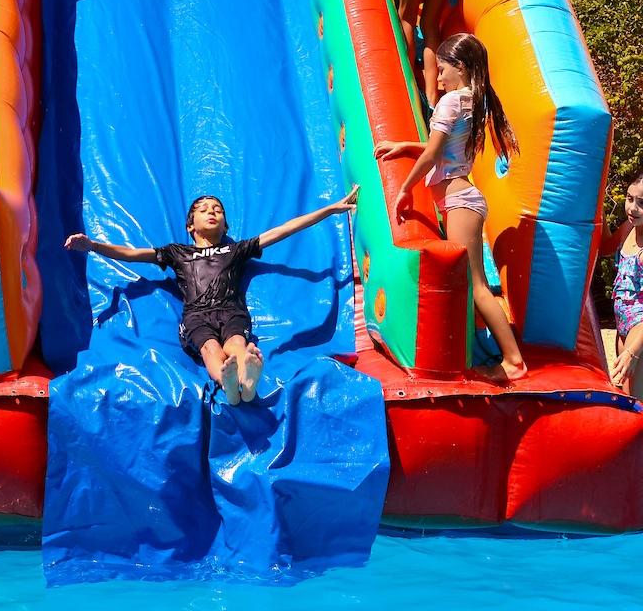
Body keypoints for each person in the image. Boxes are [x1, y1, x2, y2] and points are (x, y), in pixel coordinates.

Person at [65, 187, 359, 405]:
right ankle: (230, 384)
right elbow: (130, 254)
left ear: (226, 226)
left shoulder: (236, 249)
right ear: (190, 225)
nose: (212, 211)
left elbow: (284, 230)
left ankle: (245, 380)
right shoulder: (176, 253)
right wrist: (93, 245)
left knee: (237, 343)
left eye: (218, 209)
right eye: (204, 208)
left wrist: (329, 209)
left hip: (232, 310)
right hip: (196, 315)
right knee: (209, 348)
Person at [376, 33, 527, 384]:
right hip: (464, 198)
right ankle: (508, 356)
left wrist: (404, 188)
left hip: (460, 201)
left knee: (476, 286)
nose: (438, 78)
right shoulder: (473, 100)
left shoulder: (449, 103)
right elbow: (442, 148)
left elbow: (432, 154)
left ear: (460, 67)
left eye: (442, 69)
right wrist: (406, 144)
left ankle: (514, 361)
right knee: (473, 284)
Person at [599, 170, 643, 400]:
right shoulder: (628, 229)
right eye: (629, 198)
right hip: (622, 325)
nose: (632, 208)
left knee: (638, 402)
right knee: (627, 400)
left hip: (639, 329)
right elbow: (605, 248)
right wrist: (599, 210)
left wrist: (633, 353)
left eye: (642, 203)